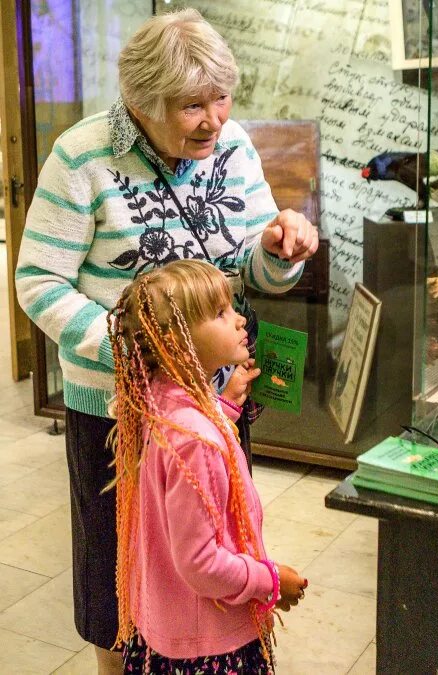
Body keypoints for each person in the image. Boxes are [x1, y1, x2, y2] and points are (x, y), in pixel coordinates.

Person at [14, 9, 318, 674]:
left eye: (222, 98)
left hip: (216, 401)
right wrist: (136, 350)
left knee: (210, 552)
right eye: (191, 106)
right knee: (117, 568)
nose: (214, 119)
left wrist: (281, 249)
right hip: (117, 409)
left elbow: (254, 267)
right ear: (141, 102)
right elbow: (37, 280)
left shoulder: (232, 145)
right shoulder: (82, 156)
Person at [108, 259, 307, 674]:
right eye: (220, 313)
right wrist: (268, 582)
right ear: (178, 342)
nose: (239, 321)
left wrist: (225, 407)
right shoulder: (194, 439)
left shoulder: (160, 401)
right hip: (208, 647)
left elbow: (189, 429)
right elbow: (201, 562)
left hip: (169, 625)